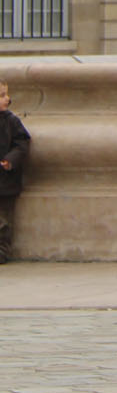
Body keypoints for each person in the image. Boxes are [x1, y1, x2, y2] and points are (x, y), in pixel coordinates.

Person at [0, 82, 30, 262]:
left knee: (3, 221)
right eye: (2, 95)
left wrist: (11, 160)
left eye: (6, 95)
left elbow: (22, 142)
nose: (8, 99)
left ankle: (2, 251)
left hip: (4, 181)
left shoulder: (11, 121)